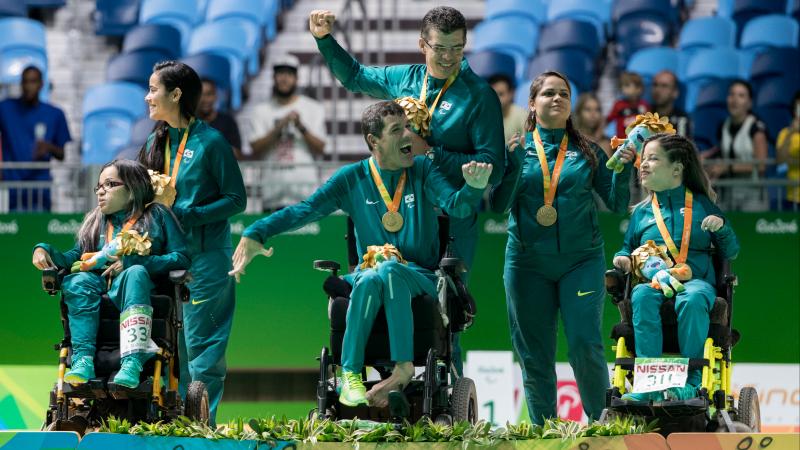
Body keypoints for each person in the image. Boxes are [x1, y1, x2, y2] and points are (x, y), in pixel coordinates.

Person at [229, 101, 492, 408]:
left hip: (419, 274)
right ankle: (351, 375)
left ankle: (401, 367)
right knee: (369, 278)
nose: (408, 134)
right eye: (397, 130)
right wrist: (255, 231)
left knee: (388, 271)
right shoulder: (351, 178)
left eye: (407, 126)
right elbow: (305, 209)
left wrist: (473, 188)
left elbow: (456, 205)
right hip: (371, 274)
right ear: (374, 141)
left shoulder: (423, 169)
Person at [310, 6, 505, 373]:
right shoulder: (403, 78)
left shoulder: (479, 96)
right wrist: (324, 40)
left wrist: (431, 153)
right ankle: (382, 385)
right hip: (395, 215)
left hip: (451, 218)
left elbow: (493, 167)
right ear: (422, 44)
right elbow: (353, 76)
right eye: (440, 48)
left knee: (447, 318)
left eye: (457, 48)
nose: (448, 57)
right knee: (381, 294)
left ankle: (452, 414)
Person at [490, 72, 635, 425]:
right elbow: (497, 205)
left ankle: (603, 423)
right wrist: (510, 167)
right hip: (527, 265)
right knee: (534, 354)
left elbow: (616, 204)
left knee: (586, 344)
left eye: (564, 94)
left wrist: (622, 169)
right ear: (533, 103)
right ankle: (544, 431)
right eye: (549, 93)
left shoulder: (588, 151)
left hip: (580, 262)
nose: (557, 99)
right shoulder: (517, 148)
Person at [137, 61, 246, 424]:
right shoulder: (155, 140)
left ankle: (201, 427)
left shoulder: (211, 141)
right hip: (166, 258)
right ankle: (175, 424)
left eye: (154, 89)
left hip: (206, 260)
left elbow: (236, 199)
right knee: (172, 347)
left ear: (176, 94)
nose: (148, 96)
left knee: (204, 347)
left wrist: (185, 212)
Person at [31, 159, 189, 388]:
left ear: (133, 188)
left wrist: (135, 261)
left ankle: (132, 361)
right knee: (77, 280)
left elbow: (181, 258)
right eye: (98, 187)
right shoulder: (95, 220)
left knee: (135, 272)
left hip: (137, 286)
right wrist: (43, 248)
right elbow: (73, 258)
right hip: (98, 286)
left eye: (110, 184)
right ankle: (83, 360)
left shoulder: (158, 216)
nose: (101, 192)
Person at [612, 133, 739, 401]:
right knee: (641, 295)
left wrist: (722, 229)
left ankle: (692, 382)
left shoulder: (703, 205)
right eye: (643, 159)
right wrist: (622, 258)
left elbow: (731, 251)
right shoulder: (642, 213)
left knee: (691, 298)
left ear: (677, 169)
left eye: (653, 159)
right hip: (655, 282)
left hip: (696, 283)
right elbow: (627, 248)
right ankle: (648, 385)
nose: (643, 165)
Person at [247, 54, 327, 211]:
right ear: (274, 77)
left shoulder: (313, 108)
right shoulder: (261, 111)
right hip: (272, 193)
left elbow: (321, 148)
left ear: (296, 78)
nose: (284, 79)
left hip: (305, 192)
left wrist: (300, 127)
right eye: (280, 74)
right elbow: (255, 149)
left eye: (289, 74)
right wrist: (279, 127)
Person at [0, 65, 71, 211]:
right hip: (13, 190)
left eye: (32, 81)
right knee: (14, 233)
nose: (28, 86)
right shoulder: (6, 109)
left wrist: (49, 147)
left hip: (40, 191)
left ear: (41, 84)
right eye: (24, 82)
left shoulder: (55, 114)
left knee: (39, 233)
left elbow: (62, 155)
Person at [705, 80, 769, 211]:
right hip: (728, 194)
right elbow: (723, 150)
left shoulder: (756, 128)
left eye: (741, 96)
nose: (735, 100)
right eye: (731, 95)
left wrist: (728, 168)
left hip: (753, 196)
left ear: (749, 102)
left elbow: (761, 166)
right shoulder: (723, 125)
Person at [197, 78, 242, 156]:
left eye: (209, 94)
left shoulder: (228, 121)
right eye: (201, 95)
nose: (204, 99)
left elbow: (237, 153)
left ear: (215, 96)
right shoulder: (187, 122)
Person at [606, 71, 649, 139]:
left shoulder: (644, 105)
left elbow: (650, 124)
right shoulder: (618, 105)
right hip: (622, 142)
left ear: (639, 89)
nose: (623, 88)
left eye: (627, 85)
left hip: (640, 141)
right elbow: (608, 120)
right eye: (622, 85)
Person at [776, 92, 800, 212]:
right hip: (793, 197)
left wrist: (792, 160)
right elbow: (781, 161)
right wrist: (791, 133)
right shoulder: (785, 134)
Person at [650, 70, 692, 138]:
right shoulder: (644, 114)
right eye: (655, 85)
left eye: (664, 86)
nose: (657, 90)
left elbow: (682, 146)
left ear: (675, 92)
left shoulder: (682, 119)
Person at [488, 73, 528, 142]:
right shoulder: (484, 117)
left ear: (511, 94)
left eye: (501, 94)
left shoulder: (522, 116)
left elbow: (530, 147)